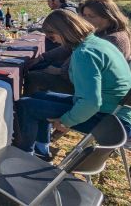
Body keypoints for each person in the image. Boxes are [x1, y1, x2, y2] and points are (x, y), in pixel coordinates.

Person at [15, 9, 131, 160]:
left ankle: (25, 158)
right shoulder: (98, 42)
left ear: (63, 31)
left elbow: (91, 103)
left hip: (111, 120)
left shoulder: (84, 53)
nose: (53, 41)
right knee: (38, 96)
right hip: (114, 109)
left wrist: (66, 121)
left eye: (52, 36)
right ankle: (41, 149)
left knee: (26, 105)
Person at [24, 0, 131, 96]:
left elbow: (87, 70)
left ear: (109, 16)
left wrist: (58, 71)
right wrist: (43, 57)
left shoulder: (114, 39)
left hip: (88, 90)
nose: (86, 20)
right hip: (76, 79)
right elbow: (69, 46)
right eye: (84, 15)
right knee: (37, 67)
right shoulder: (100, 32)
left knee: (34, 77)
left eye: (91, 16)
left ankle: (29, 109)